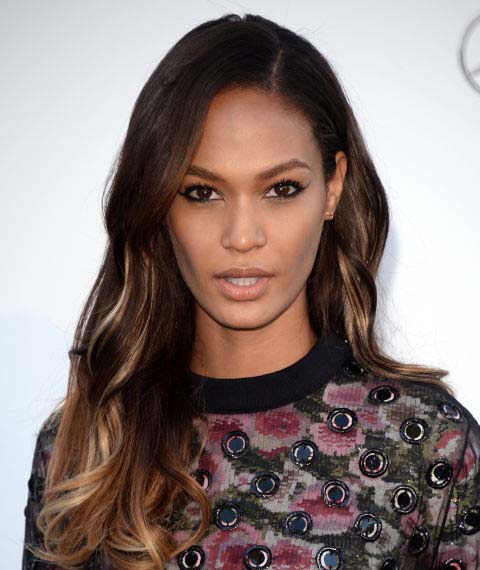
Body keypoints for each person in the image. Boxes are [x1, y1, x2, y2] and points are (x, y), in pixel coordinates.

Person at [22, 12, 480, 570]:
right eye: (202, 192)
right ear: (159, 202)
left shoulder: (427, 443)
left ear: (333, 187)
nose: (242, 237)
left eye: (281, 189)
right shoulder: (85, 448)